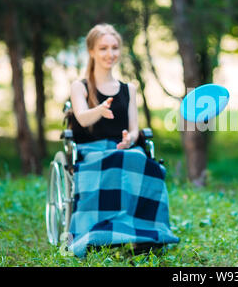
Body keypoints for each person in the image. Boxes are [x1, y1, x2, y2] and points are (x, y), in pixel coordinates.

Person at [68, 23, 179, 257]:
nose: (110, 54)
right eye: (103, 48)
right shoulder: (80, 86)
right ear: (91, 51)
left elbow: (135, 129)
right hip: (91, 151)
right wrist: (98, 110)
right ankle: (98, 235)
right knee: (118, 161)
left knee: (143, 162)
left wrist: (130, 140)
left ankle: (145, 236)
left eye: (115, 48)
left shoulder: (128, 89)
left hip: (123, 149)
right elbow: (82, 117)